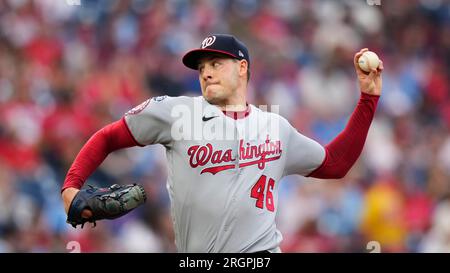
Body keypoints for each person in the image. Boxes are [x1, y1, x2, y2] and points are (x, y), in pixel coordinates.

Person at [61, 34, 383, 253]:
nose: (206, 73)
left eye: (216, 64)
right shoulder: (177, 113)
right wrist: (71, 186)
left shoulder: (275, 127)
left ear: (242, 68)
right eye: (202, 67)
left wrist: (368, 98)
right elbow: (108, 137)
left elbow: (336, 163)